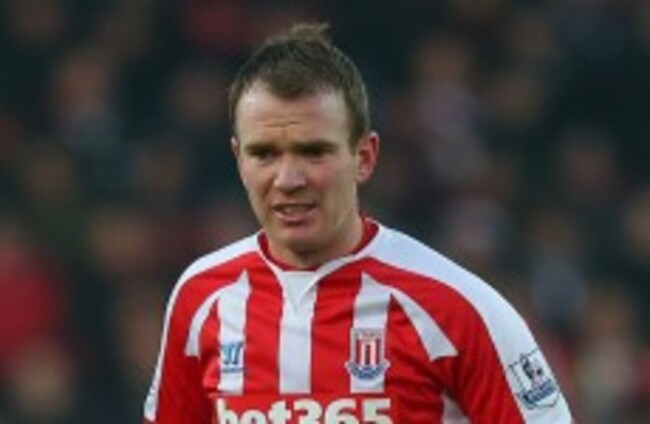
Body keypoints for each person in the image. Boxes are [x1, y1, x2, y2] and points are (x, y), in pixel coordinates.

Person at [143, 23, 573, 423]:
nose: (288, 179)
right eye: (264, 154)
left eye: (314, 152)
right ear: (239, 159)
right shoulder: (201, 296)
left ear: (364, 157)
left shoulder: (456, 307)